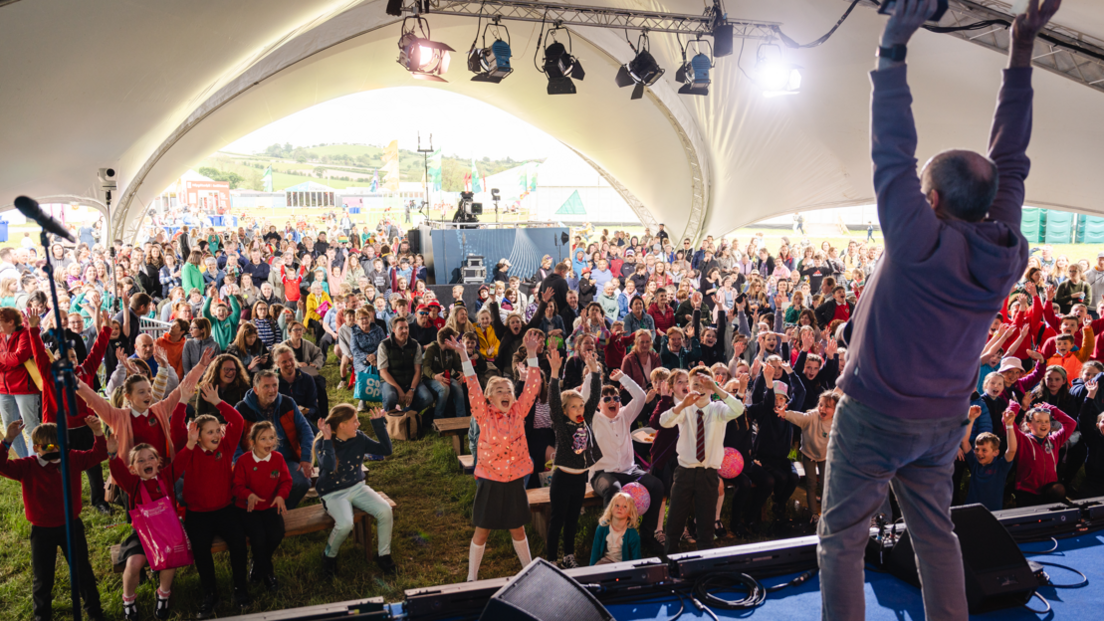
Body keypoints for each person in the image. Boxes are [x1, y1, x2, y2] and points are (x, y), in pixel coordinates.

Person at [820, 3, 1062, 619]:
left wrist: (893, 46)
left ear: (928, 199)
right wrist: (1021, 44)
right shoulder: (1003, 244)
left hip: (875, 416)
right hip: (944, 421)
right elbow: (1012, 155)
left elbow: (890, 145)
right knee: (935, 538)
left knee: (842, 543)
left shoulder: (917, 240)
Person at [445, 331, 543, 582]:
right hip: (489, 479)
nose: (504, 392)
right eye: (498, 389)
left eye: (508, 389)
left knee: (518, 528)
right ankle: (471, 577)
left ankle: (529, 572)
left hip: (515, 479)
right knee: (482, 530)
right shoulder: (483, 414)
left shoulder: (519, 412)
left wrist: (532, 354)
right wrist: (464, 355)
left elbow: (532, 387)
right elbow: (473, 385)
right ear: (489, 398)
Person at [0, 416, 108, 621]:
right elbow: (1, 466)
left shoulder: (72, 459)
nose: (53, 451)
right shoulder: (27, 466)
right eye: (47, 447)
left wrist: (98, 432)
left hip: (71, 526)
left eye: (58, 445)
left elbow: (99, 454)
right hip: (41, 531)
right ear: (36, 447)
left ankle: (95, 612)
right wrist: (7, 441)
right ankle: (42, 616)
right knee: (42, 579)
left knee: (82, 571)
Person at [174, 384, 251, 616]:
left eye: (218, 430)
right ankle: (210, 594)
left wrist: (218, 402)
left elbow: (237, 422)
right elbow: (175, 428)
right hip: (197, 512)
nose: (216, 435)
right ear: (197, 436)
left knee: (238, 543)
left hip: (225, 508)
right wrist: (182, 401)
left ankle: (240, 589)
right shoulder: (190, 450)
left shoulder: (226, 447)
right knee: (200, 549)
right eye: (210, 432)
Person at [659, 367, 744, 552]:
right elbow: (663, 422)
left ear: (712, 388)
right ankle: (670, 560)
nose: (701, 387)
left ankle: (705, 563)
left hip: (708, 473)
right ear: (689, 388)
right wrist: (682, 405)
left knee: (706, 525)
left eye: (706, 384)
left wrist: (718, 389)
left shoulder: (718, 409)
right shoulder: (684, 408)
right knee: (675, 520)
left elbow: (739, 409)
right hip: (684, 473)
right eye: (696, 384)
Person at [588, 367, 665, 553]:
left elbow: (639, 396)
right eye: (606, 399)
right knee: (613, 490)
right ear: (598, 404)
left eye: (615, 398)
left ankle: (646, 536)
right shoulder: (594, 418)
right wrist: (593, 376)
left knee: (656, 485)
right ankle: (611, 542)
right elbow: (585, 402)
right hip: (603, 474)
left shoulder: (625, 415)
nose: (612, 401)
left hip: (629, 471)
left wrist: (622, 377)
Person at [314, 404, 396, 576]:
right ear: (342, 425)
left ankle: (384, 555)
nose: (358, 424)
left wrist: (379, 425)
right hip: (333, 493)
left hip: (357, 487)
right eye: (354, 421)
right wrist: (328, 440)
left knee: (385, 510)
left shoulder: (358, 437)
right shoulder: (323, 442)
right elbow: (328, 467)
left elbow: (386, 450)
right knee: (345, 524)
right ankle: (329, 556)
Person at [107, 439, 184, 621]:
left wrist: (188, 442)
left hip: (167, 532)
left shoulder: (166, 476)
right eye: (140, 460)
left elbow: (182, 460)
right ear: (133, 469)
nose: (147, 462)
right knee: (134, 563)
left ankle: (163, 594)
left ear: (158, 462)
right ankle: (129, 600)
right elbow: (118, 472)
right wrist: (112, 455)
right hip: (143, 535)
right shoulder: (132, 483)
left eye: (151, 458)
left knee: (170, 558)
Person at [544, 348, 602, 569]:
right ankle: (551, 559)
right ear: (564, 410)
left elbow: (594, 396)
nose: (579, 409)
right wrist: (555, 374)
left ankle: (568, 555)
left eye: (580, 405)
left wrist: (595, 372)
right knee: (557, 520)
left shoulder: (585, 419)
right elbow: (552, 401)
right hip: (562, 479)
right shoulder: (561, 424)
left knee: (572, 520)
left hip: (580, 479)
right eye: (573, 407)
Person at [235, 369, 315, 509]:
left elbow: (305, 430)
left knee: (303, 482)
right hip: (254, 463)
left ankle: (281, 510)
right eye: (266, 386)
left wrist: (306, 457)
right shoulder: (241, 410)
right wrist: (243, 467)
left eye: (274, 385)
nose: (272, 390)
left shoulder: (287, 403)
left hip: (285, 460)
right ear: (256, 389)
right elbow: (232, 443)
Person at [232, 421, 291, 593]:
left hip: (270, 506)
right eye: (263, 438)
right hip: (248, 508)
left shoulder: (278, 459)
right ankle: (268, 573)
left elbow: (286, 481)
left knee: (277, 533)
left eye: (271, 438)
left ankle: (258, 564)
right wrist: (248, 494)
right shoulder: (243, 461)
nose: (268, 442)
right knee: (258, 538)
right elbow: (236, 486)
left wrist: (281, 496)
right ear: (252, 442)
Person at [780, 391, 838, 523]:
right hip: (809, 454)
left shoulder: (837, 423)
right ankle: (814, 515)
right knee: (811, 484)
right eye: (821, 405)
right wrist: (786, 414)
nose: (822, 409)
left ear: (835, 410)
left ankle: (826, 513)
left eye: (827, 407)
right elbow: (800, 417)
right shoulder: (813, 417)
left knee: (825, 484)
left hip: (825, 456)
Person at [960, 404, 1017, 511]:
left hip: (993, 513)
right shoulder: (975, 463)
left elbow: (1012, 450)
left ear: (995, 452)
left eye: (984, 450)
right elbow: (964, 441)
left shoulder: (1001, 467)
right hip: (972, 511)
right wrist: (971, 418)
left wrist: (1009, 425)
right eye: (977, 449)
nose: (979, 453)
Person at [377, 316, 434, 415]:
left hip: (410, 380)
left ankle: (406, 414)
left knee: (427, 398)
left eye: (406, 328)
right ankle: (388, 418)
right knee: (390, 397)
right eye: (401, 328)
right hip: (391, 381)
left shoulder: (415, 345)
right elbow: (383, 372)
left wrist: (412, 389)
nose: (405, 331)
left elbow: (417, 370)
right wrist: (399, 389)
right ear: (393, 330)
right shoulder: (384, 345)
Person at [588, 492, 642, 566]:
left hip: (624, 565)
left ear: (630, 513)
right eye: (617, 505)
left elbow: (636, 557)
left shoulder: (632, 534)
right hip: (606, 562)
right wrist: (591, 571)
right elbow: (595, 552)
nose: (620, 508)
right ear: (611, 508)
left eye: (624, 506)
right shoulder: (602, 527)